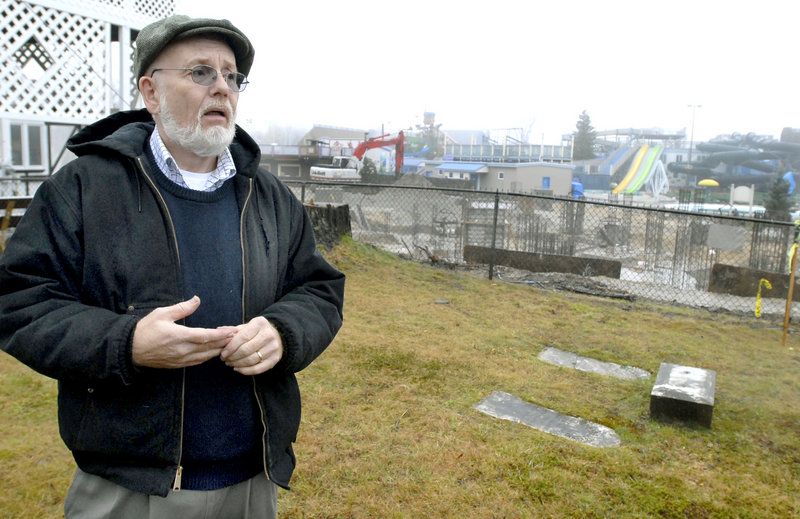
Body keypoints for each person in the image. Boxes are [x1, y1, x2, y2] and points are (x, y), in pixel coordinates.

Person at [0, 14, 344, 518]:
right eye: (201, 72)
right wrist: (127, 343)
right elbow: (19, 300)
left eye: (232, 76)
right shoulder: (82, 188)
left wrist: (283, 331)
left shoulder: (270, 196)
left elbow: (318, 290)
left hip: (252, 479)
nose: (222, 88)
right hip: (131, 486)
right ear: (151, 91)